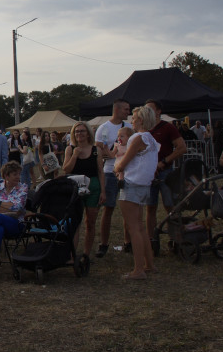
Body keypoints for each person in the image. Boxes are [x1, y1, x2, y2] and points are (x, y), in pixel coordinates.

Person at [113, 106, 160, 281]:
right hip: (144, 185)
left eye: (133, 118)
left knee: (133, 228)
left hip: (132, 184)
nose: (131, 121)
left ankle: (138, 269)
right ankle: (149, 264)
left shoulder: (138, 138)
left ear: (140, 120)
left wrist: (117, 168)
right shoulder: (151, 139)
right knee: (140, 227)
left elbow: (122, 163)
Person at [144, 99, 187, 253]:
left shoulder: (168, 127)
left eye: (150, 109)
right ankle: (152, 240)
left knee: (170, 206)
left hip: (165, 172)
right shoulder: (144, 129)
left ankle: (175, 238)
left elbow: (181, 148)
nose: (147, 112)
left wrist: (163, 162)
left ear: (158, 111)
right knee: (150, 207)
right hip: (149, 173)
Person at [93, 98, 131, 257]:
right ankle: (103, 244)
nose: (128, 112)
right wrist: (107, 155)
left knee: (129, 208)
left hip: (128, 172)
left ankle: (128, 242)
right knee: (108, 208)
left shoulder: (129, 127)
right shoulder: (104, 128)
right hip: (110, 172)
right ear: (117, 110)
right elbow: (98, 149)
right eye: (126, 109)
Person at [63, 121, 105, 257]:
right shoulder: (70, 149)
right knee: (75, 221)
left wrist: (103, 191)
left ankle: (86, 253)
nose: (79, 134)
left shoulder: (95, 150)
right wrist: (75, 155)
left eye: (82, 131)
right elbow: (66, 169)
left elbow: (100, 171)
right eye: (76, 131)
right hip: (76, 186)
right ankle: (72, 254)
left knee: (90, 221)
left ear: (88, 133)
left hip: (93, 185)